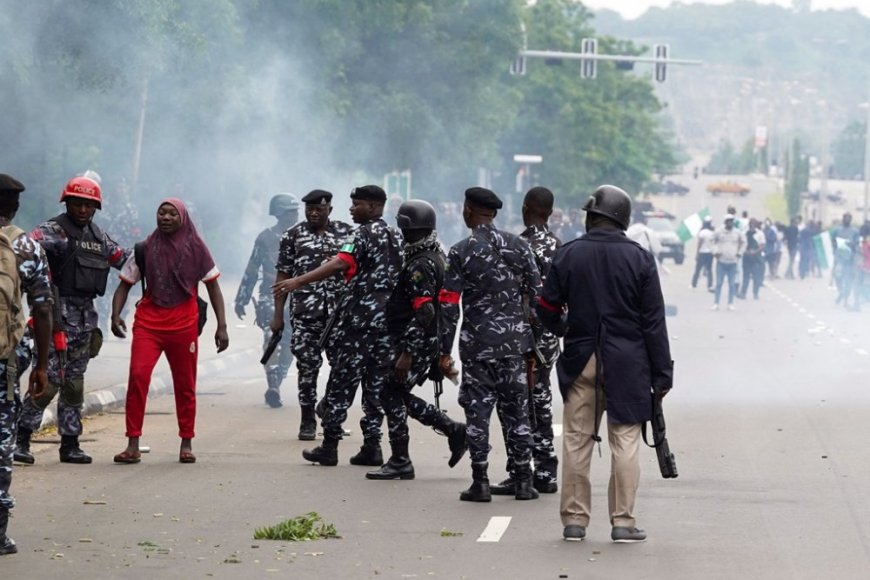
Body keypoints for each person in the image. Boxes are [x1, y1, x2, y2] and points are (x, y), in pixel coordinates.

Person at [535, 184, 673, 544]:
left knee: (577, 441)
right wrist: (662, 374)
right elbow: (653, 322)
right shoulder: (640, 258)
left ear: (593, 216)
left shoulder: (568, 254)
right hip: (628, 363)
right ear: (622, 218)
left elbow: (546, 309)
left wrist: (566, 329)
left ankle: (575, 521)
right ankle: (623, 522)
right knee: (625, 442)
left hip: (581, 358)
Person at [272, 185, 401, 466]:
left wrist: (298, 281)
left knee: (340, 382)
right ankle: (372, 445)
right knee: (374, 386)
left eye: (357, 205)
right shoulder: (396, 235)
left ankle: (329, 445)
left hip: (359, 322)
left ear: (374, 206)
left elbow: (342, 263)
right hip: (387, 323)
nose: (352, 209)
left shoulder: (361, 233)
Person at [15, 175, 129, 465]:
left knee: (74, 383)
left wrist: (154, 252)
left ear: (95, 207)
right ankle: (21, 437)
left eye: (88, 205)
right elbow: (23, 251)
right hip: (54, 317)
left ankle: (70, 443)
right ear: (67, 202)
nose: (82, 209)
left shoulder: (98, 236)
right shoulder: (53, 231)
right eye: (77, 203)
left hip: (85, 319)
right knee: (49, 380)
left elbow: (124, 260)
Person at [440, 187, 542, 502]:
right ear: (494, 214)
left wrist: (444, 351)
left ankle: (480, 482)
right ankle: (524, 480)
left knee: (477, 414)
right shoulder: (520, 246)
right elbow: (537, 297)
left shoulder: (460, 252)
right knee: (518, 414)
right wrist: (532, 343)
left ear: (468, 210)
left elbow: (447, 305)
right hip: (515, 346)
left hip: (478, 347)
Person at [110, 198, 229, 464]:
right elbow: (125, 284)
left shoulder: (197, 248)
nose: (165, 217)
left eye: (171, 214)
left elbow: (213, 287)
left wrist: (222, 326)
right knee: (138, 377)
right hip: (148, 324)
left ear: (182, 218)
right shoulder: (144, 248)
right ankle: (132, 444)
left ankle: (186, 442)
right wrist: (115, 314)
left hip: (184, 325)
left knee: (185, 384)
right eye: (161, 213)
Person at [365, 199, 467, 480]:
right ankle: (451, 430)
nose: (400, 232)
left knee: (390, 393)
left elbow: (424, 311)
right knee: (393, 393)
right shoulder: (435, 255)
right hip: (425, 341)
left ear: (411, 229)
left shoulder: (419, 264)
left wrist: (407, 353)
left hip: (415, 343)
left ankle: (401, 459)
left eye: (402, 227)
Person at [491, 187, 561, 496]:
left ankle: (519, 469)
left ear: (525, 208)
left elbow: (517, 297)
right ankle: (546, 470)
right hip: (549, 338)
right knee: (541, 401)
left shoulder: (518, 245)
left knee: (514, 404)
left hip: (522, 338)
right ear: (550, 212)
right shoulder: (560, 246)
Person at [0, 174, 52, 555]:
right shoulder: (25, 246)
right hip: (6, 361)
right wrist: (42, 365)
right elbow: (44, 307)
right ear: (14, 207)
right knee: (1, 445)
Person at [273, 189, 352, 440]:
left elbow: (356, 264)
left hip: (339, 314)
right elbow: (283, 275)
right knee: (307, 368)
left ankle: (328, 410)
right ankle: (307, 420)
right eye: (310, 209)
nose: (314, 213)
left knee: (342, 368)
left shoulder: (347, 232)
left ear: (330, 209)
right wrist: (278, 316)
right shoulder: (292, 235)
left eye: (319, 209)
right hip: (305, 313)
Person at [234, 194, 298, 409]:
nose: (295, 215)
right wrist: (241, 299)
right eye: (290, 212)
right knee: (271, 337)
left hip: (298, 298)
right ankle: (273, 385)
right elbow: (252, 269)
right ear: (279, 214)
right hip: (270, 296)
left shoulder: (304, 236)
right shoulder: (265, 238)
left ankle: (277, 382)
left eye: (295, 211)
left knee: (291, 343)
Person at [711, 214, 744, 311]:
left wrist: (740, 253)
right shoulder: (719, 232)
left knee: (731, 284)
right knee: (719, 283)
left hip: (733, 262)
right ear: (725, 222)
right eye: (728, 221)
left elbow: (744, 242)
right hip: (721, 261)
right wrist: (715, 251)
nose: (730, 223)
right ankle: (716, 303)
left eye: (732, 221)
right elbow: (711, 241)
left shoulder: (737, 232)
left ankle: (730, 303)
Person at [739, 218, 765, 300]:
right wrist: (745, 251)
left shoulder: (760, 234)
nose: (752, 225)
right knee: (745, 276)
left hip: (756, 257)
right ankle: (743, 293)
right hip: (746, 257)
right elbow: (741, 244)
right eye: (751, 223)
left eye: (753, 223)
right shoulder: (744, 233)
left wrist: (755, 251)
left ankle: (755, 293)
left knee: (756, 276)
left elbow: (762, 245)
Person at [691, 215, 715, 291]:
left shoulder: (702, 232)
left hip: (702, 252)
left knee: (698, 269)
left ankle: (694, 284)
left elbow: (700, 243)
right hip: (710, 253)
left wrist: (697, 253)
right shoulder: (712, 232)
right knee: (709, 270)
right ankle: (710, 285)